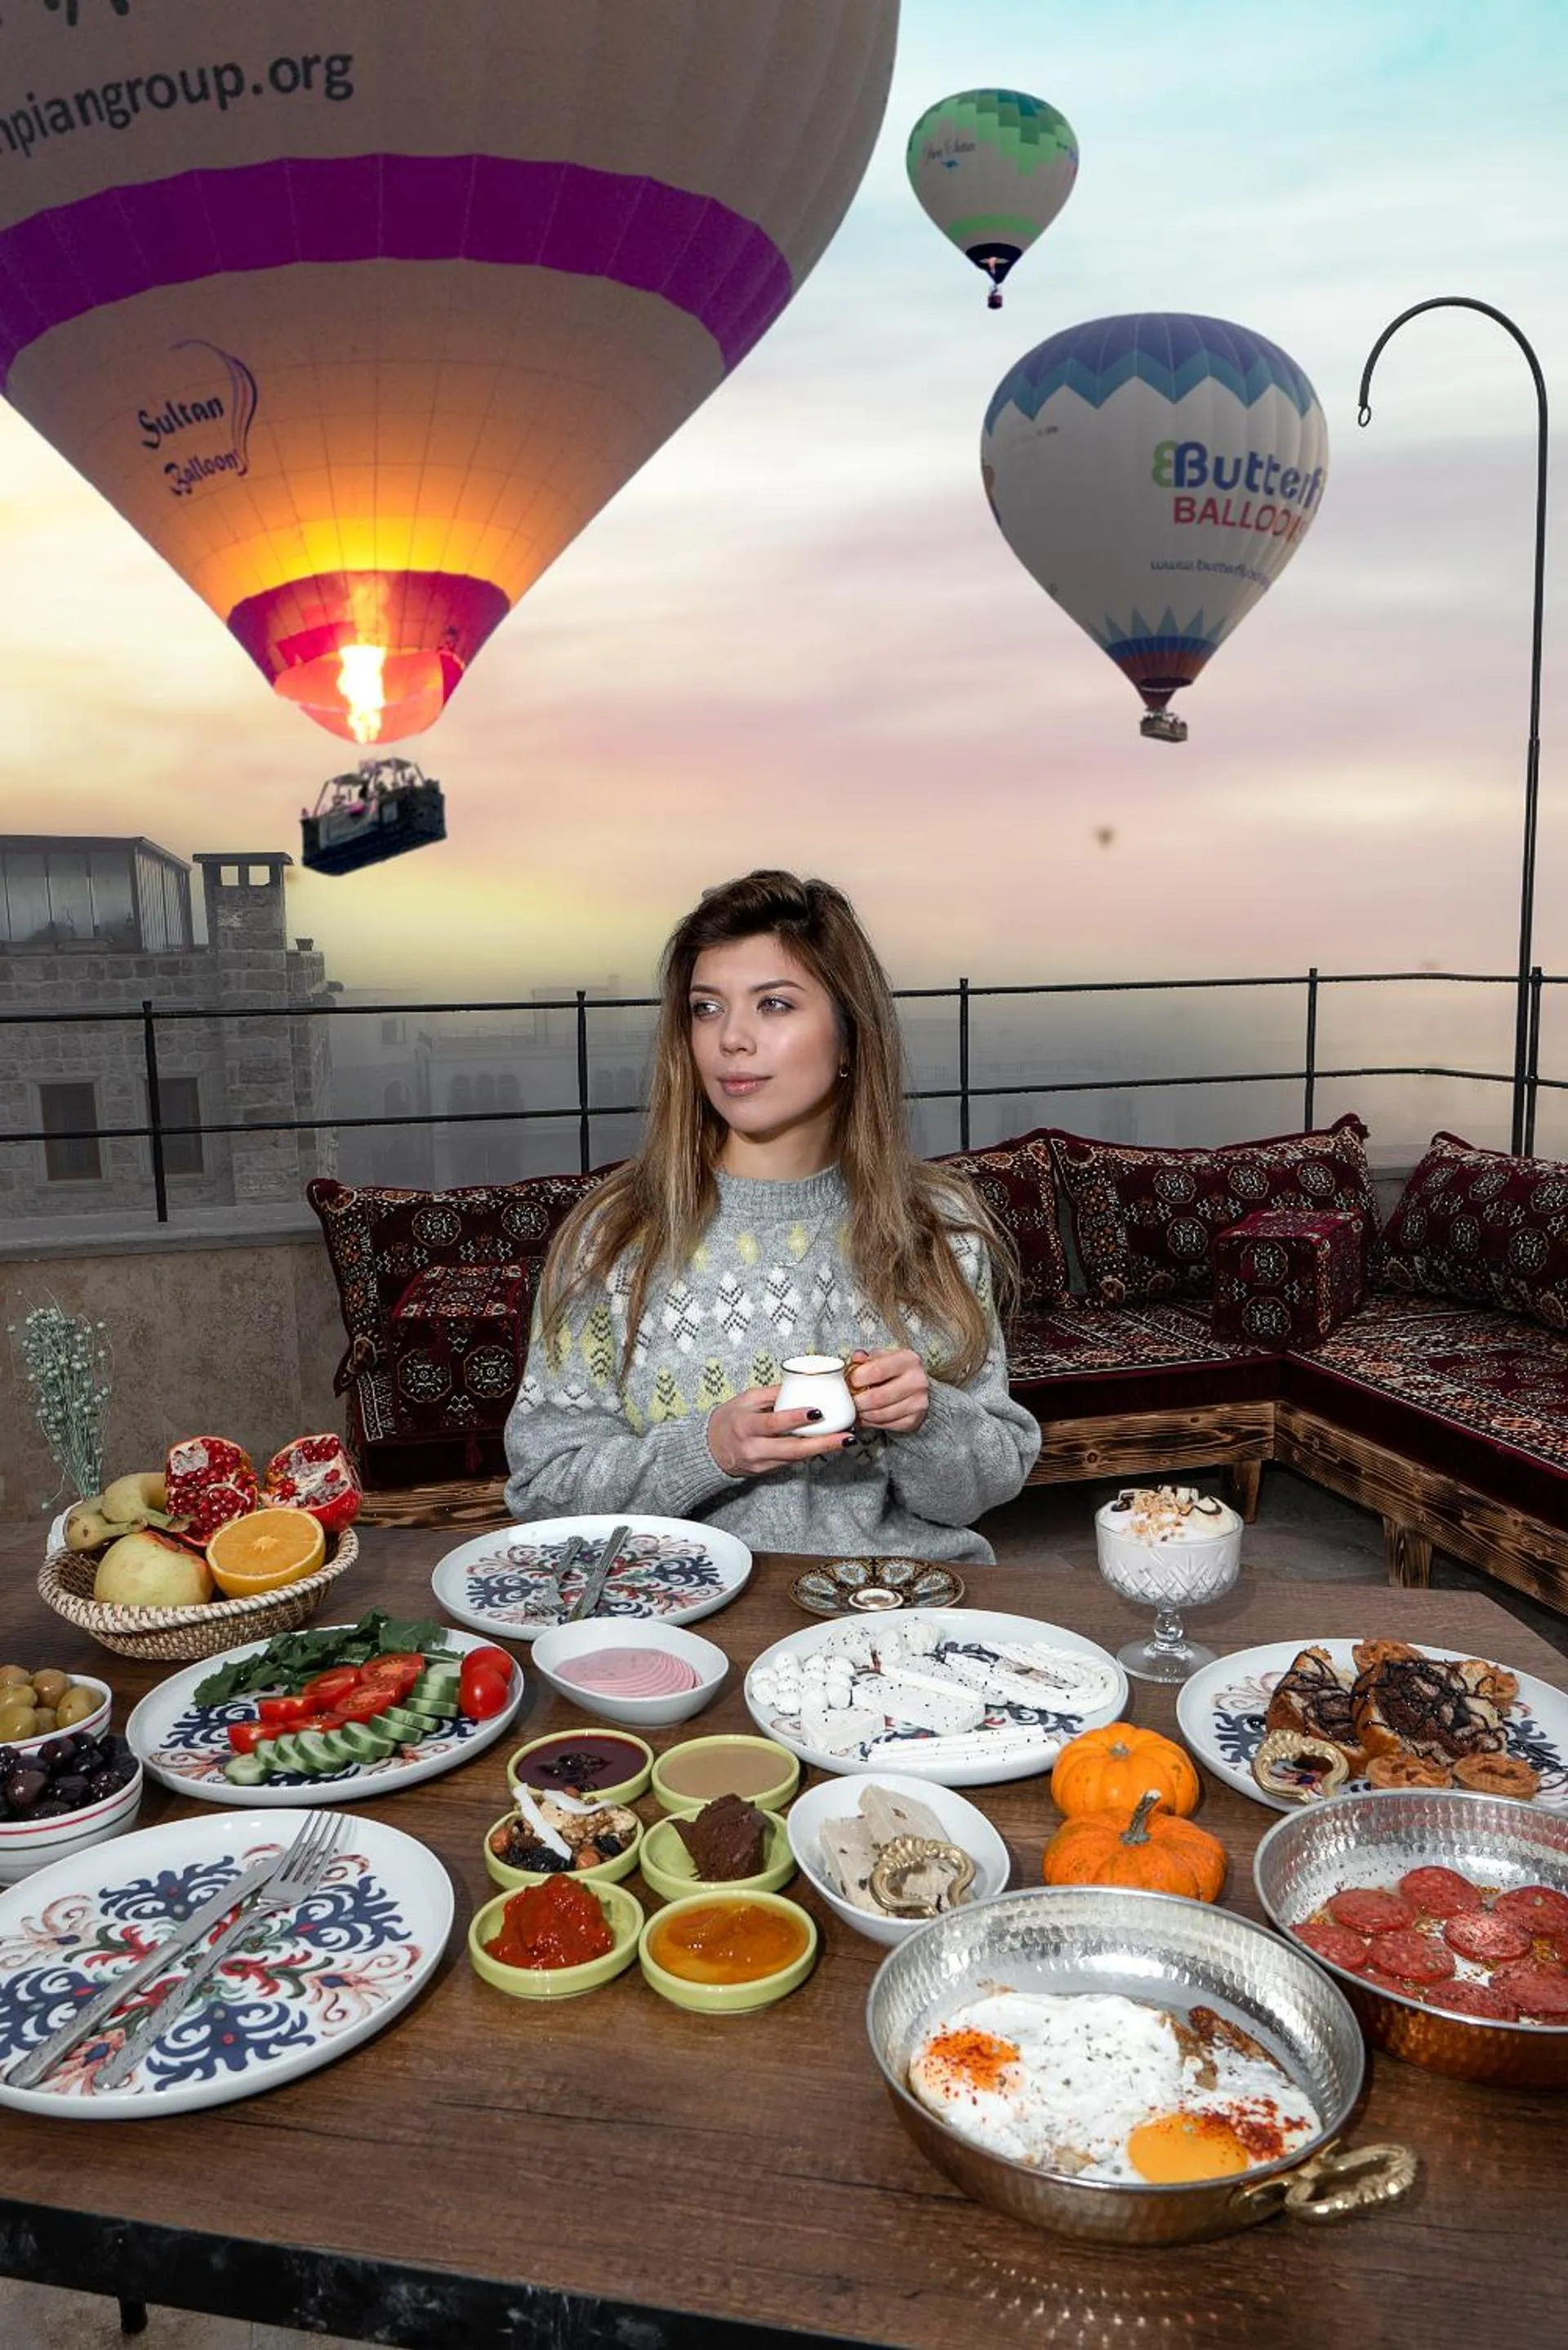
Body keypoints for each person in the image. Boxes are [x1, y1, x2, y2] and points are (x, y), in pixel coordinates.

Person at [504, 870, 1042, 1563]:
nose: (731, 1037)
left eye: (774, 1004)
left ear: (849, 1036)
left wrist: (927, 1417)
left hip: (898, 1605)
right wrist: (707, 1451)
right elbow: (543, 1491)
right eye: (706, 1008)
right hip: (687, 1609)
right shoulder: (612, 1237)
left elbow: (982, 1492)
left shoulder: (938, 1225)